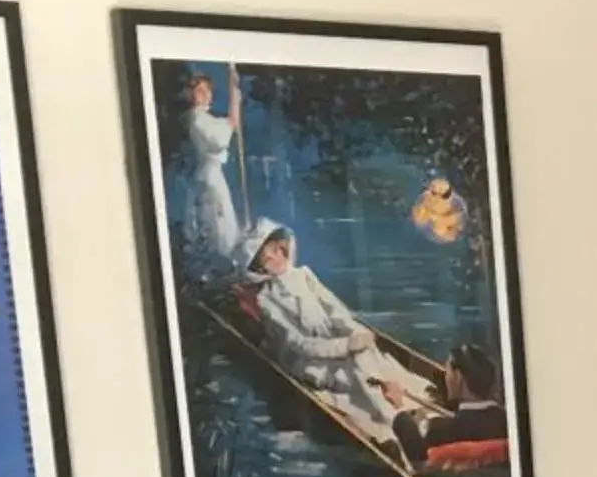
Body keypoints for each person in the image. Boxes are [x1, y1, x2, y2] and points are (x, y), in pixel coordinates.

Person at [238, 218, 426, 442]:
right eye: (268, 257)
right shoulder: (266, 301)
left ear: (283, 247)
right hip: (306, 361)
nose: (277, 257)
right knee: (355, 368)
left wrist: (355, 334)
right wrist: (345, 345)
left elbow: (336, 311)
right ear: (261, 267)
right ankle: (395, 418)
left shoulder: (305, 276)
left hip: (336, 345)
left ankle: (401, 409)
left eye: (278, 250)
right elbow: (298, 344)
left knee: (366, 356)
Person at [396, 341, 507, 466]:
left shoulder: (442, 431)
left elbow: (417, 459)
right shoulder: (506, 421)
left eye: (447, 371)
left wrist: (399, 407)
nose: (445, 377)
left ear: (459, 377)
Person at [178, 70, 242, 276]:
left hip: (213, 177)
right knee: (217, 225)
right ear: (191, 95)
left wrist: (234, 103)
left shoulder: (204, 118)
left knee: (223, 224)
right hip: (208, 180)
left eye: (209, 91)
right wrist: (232, 114)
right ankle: (219, 265)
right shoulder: (197, 119)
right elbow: (219, 139)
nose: (206, 96)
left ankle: (223, 261)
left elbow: (229, 125)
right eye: (200, 91)